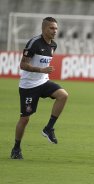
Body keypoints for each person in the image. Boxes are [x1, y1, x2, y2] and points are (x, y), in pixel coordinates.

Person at [10, 17, 69, 159]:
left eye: (56, 28)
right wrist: (41, 70)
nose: (55, 31)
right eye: (51, 28)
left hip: (43, 82)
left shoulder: (53, 45)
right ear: (44, 29)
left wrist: (43, 74)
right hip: (28, 86)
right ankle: (16, 149)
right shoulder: (34, 43)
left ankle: (49, 128)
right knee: (25, 119)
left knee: (63, 95)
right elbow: (23, 65)